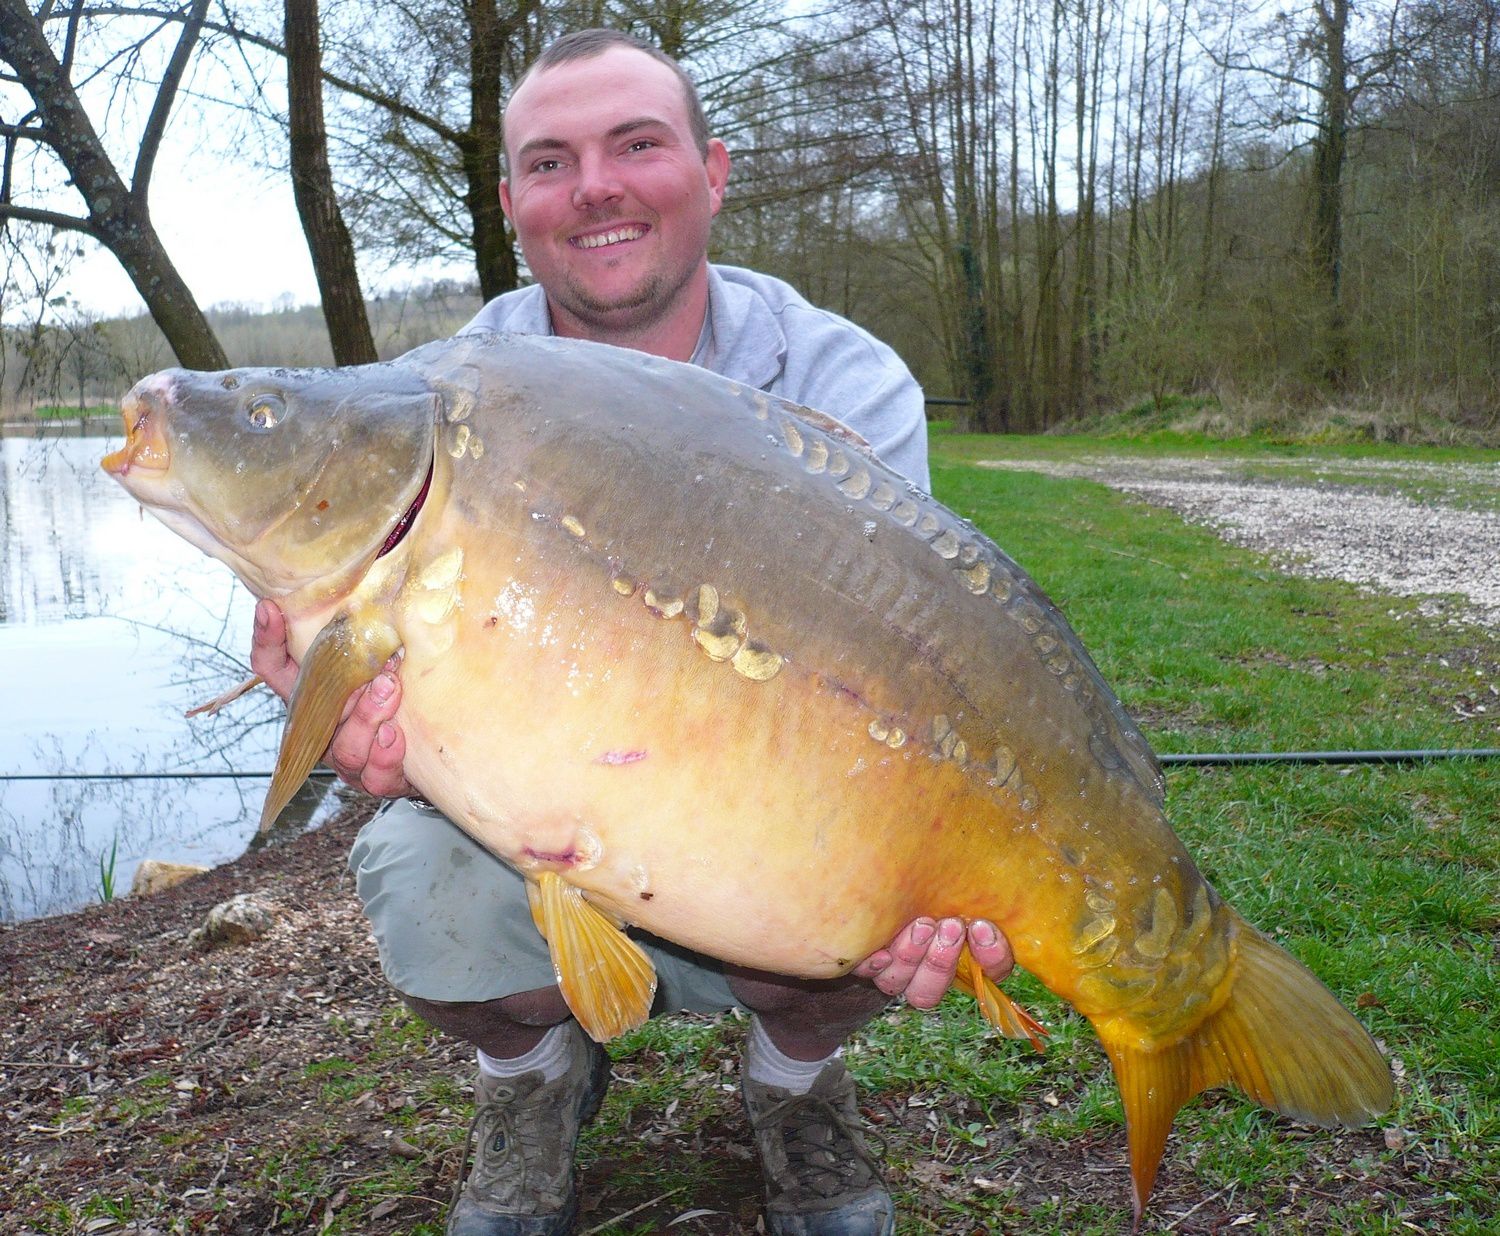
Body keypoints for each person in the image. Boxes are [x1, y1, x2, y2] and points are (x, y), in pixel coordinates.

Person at [252, 29, 1017, 1236]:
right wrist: (334, 712)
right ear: (512, 205)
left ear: (711, 172)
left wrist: (927, 853)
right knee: (422, 894)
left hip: (770, 796)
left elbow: (924, 670)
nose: (596, 185)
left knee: (871, 902)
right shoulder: (445, 390)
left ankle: (795, 1081)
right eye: (551, 162)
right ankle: (530, 1087)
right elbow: (334, 595)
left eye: (637, 145)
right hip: (531, 803)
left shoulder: (841, 381)